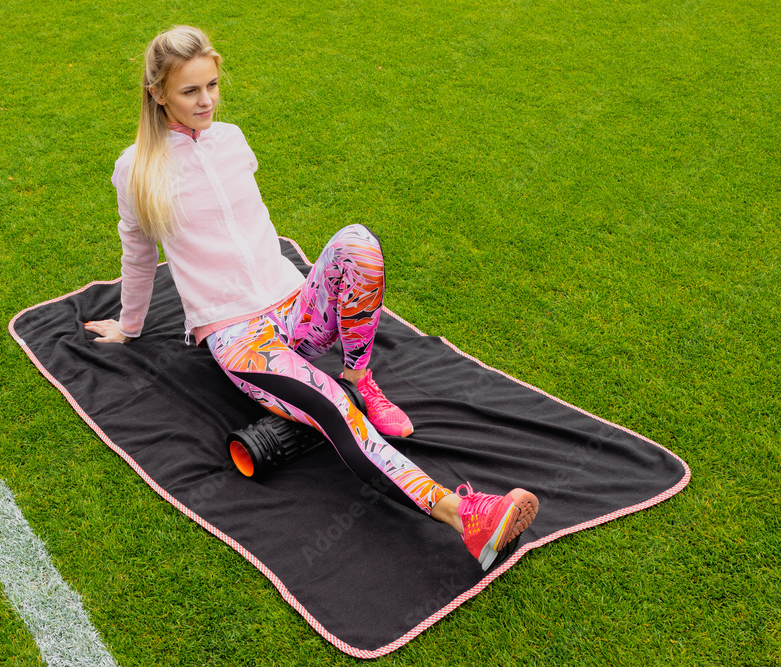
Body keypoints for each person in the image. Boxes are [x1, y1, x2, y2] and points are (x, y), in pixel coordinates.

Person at [85, 25, 538, 570]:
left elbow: (255, 226)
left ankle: (360, 376)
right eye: (190, 91)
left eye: (212, 85)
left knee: (358, 243)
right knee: (334, 411)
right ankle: (464, 516)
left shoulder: (231, 140)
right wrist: (128, 326)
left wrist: (305, 294)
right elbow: (137, 256)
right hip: (239, 335)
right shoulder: (135, 168)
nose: (206, 101)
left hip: (293, 305)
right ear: (157, 92)